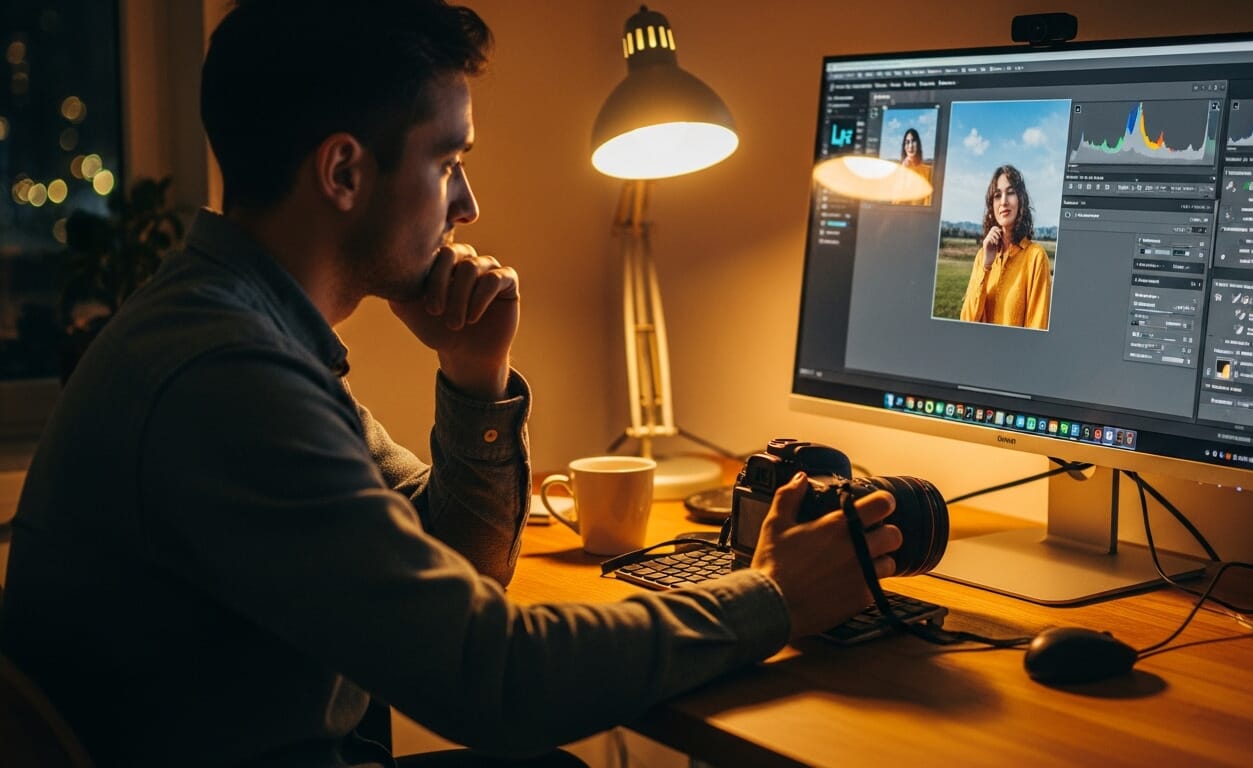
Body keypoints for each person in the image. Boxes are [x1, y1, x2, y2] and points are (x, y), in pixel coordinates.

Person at [0, 2, 903, 766]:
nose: (466, 206)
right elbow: (493, 678)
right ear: (345, 171)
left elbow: (462, 570)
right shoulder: (225, 376)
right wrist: (774, 597)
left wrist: (475, 378)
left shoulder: (240, 325)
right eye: (447, 162)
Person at [958, 164, 1052, 329]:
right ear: (991, 205)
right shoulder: (982, 256)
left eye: (1010, 193)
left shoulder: (1036, 257)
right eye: (997, 195)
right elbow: (966, 321)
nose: (1003, 201)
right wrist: (986, 266)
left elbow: (1036, 331)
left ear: (1020, 200)